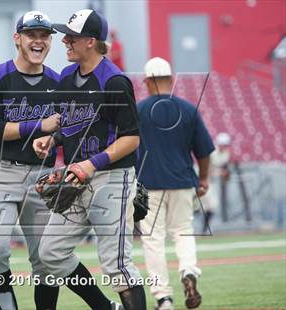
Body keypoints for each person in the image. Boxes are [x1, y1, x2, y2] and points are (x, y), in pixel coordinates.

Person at [33, 9, 146, 310]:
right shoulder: (68, 77)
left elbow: (132, 138)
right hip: (76, 176)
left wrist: (91, 164)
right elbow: (70, 124)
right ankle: (104, 307)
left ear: (91, 42)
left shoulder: (115, 81)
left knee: (116, 265)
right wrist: (52, 139)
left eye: (72, 36)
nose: (65, 41)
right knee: (51, 252)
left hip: (111, 176)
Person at [0, 11, 61, 310]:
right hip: (2, 172)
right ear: (17, 38)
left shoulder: (58, 81)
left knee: (48, 259)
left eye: (44, 36)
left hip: (43, 175)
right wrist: (40, 127)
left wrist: (53, 139)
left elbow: (66, 130)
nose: (38, 41)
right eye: (31, 35)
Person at [136, 57, 215, 310]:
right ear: (171, 79)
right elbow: (204, 151)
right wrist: (203, 178)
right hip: (182, 182)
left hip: (148, 183)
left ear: (147, 82)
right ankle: (188, 271)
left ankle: (163, 297)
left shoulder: (137, 111)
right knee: (183, 231)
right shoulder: (189, 109)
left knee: (153, 240)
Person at [200, 132, 231, 232]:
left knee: (210, 206)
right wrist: (219, 173)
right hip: (203, 179)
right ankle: (205, 228)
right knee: (209, 205)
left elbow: (225, 170)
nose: (224, 146)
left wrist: (224, 174)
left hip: (211, 182)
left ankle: (205, 228)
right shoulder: (212, 153)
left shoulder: (226, 154)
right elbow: (206, 168)